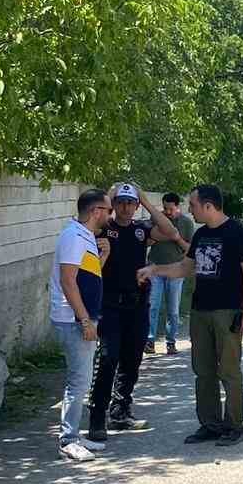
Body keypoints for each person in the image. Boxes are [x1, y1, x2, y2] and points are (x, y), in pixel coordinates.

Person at [139, 183, 243, 447]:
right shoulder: (202, 235)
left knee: (228, 370)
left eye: (193, 205)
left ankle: (234, 426)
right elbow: (185, 267)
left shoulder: (238, 232)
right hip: (200, 311)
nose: (190, 210)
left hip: (228, 312)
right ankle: (210, 424)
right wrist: (155, 269)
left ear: (208, 205)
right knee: (203, 371)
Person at [87, 183, 179, 442]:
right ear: (113, 205)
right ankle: (97, 418)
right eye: (121, 202)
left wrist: (148, 202)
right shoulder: (105, 227)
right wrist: (111, 190)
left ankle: (120, 412)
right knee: (107, 359)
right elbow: (90, 219)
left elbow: (169, 231)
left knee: (132, 360)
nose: (126, 207)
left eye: (131, 202)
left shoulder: (141, 230)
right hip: (109, 305)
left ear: (136, 205)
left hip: (137, 305)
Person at [50, 188, 110, 463]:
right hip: (74, 320)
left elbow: (87, 276)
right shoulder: (74, 237)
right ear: (95, 211)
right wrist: (85, 320)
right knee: (78, 381)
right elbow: (68, 280)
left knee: (82, 380)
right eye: (107, 210)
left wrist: (103, 257)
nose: (109, 215)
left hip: (82, 317)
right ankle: (68, 440)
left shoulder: (85, 236)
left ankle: (74, 434)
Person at [145, 192, 194, 355]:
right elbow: (146, 241)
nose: (167, 212)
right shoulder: (156, 219)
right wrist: (159, 234)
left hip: (176, 270)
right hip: (155, 268)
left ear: (177, 207)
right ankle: (149, 341)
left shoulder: (186, 223)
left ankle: (171, 342)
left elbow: (189, 249)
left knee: (173, 309)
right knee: (153, 305)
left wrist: (176, 238)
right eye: (165, 208)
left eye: (170, 209)